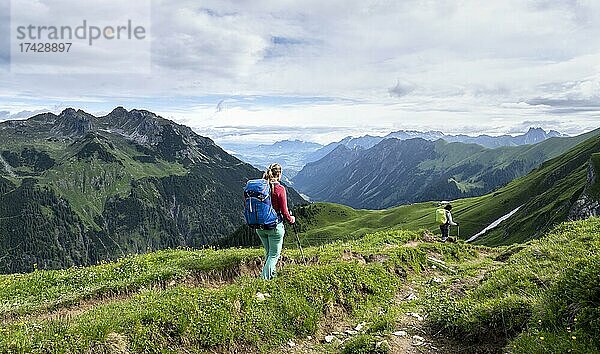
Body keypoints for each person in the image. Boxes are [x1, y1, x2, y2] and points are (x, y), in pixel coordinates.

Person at [256, 163, 295, 280]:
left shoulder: (261, 187)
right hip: (274, 226)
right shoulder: (279, 189)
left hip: (260, 227)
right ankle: (263, 281)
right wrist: (291, 219)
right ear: (279, 174)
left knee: (269, 254)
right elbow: (284, 211)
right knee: (274, 255)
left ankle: (272, 277)